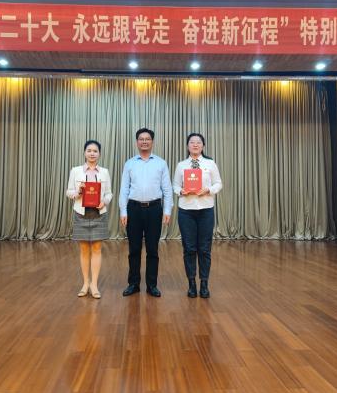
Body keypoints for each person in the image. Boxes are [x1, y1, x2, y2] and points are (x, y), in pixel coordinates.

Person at [119, 128, 173, 297]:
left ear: (152, 142)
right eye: (141, 139)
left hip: (154, 209)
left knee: (152, 249)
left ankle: (152, 285)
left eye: (147, 139)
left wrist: (167, 210)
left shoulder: (161, 163)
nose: (144, 141)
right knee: (134, 249)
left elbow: (167, 189)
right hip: (133, 209)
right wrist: (123, 211)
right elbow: (124, 189)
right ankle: (133, 284)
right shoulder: (129, 163)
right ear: (137, 142)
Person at [173, 133, 222, 298]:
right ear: (187, 146)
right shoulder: (181, 165)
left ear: (203, 146)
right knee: (189, 248)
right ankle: (192, 284)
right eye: (192, 142)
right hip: (186, 211)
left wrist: (209, 190)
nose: (195, 145)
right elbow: (175, 185)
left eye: (198, 142)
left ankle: (204, 284)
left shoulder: (210, 163)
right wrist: (181, 191)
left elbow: (218, 183)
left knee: (205, 248)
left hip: (206, 210)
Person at [66, 140, 113, 299]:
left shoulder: (104, 172)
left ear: (99, 154)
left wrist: (104, 201)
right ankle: (85, 283)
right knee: (84, 249)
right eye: (89, 150)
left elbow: (109, 193)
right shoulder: (75, 171)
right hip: (81, 213)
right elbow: (69, 191)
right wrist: (77, 193)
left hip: (99, 213)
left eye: (95, 151)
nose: (92, 153)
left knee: (97, 248)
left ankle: (94, 285)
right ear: (84, 153)